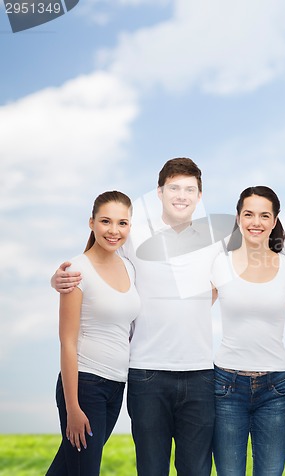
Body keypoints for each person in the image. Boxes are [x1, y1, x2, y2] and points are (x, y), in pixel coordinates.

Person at [51, 158, 225, 476]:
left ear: (200, 196)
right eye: (174, 188)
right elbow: (96, 259)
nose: (181, 195)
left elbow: (248, 270)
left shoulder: (214, 239)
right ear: (159, 192)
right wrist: (59, 280)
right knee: (150, 469)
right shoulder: (134, 233)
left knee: (196, 469)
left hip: (199, 373)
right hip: (146, 374)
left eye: (190, 189)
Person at [47, 191, 140, 476]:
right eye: (106, 221)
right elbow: (67, 342)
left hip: (116, 386)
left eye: (122, 223)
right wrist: (73, 407)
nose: (114, 231)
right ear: (91, 223)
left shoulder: (128, 266)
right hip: (85, 386)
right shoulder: (77, 270)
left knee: (67, 468)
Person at [211, 186, 285, 476]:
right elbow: (193, 316)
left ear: (274, 221)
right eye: (249, 214)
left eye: (264, 215)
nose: (256, 222)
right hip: (226, 386)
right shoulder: (220, 264)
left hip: (276, 388)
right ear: (238, 218)